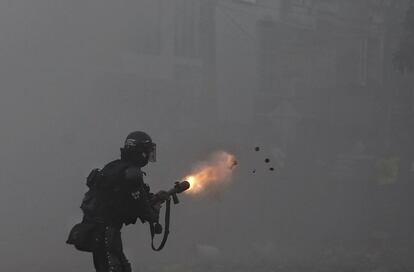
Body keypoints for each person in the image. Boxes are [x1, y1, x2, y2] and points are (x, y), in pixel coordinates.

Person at [71, 131, 164, 272]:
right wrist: (156, 206)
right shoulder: (132, 174)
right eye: (146, 151)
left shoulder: (114, 167)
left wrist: (150, 197)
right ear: (139, 152)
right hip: (107, 234)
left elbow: (124, 197)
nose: (147, 155)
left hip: (99, 232)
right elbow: (145, 211)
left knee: (122, 268)